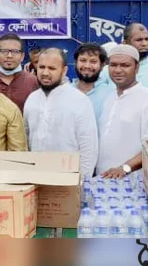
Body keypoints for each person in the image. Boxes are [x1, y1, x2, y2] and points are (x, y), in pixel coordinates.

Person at [24, 48, 99, 177]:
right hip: (35, 176)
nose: (45, 73)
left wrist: (81, 181)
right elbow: (26, 140)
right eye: (41, 67)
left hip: (69, 178)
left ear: (64, 71)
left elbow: (89, 148)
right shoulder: (32, 99)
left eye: (52, 68)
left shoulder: (79, 100)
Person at [97, 45, 148, 178]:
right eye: (113, 65)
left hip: (132, 180)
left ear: (136, 68)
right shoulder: (109, 97)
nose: (118, 70)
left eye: (125, 65)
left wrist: (125, 168)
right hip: (102, 178)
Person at [0, 32, 39, 113]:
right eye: (4, 51)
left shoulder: (34, 82)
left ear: (22, 56)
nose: (9, 56)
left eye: (15, 51)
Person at [70, 42, 112, 123]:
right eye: (83, 60)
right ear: (76, 63)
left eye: (93, 61)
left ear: (102, 65)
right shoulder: (66, 92)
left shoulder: (110, 94)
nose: (87, 66)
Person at [123, 22, 148, 88]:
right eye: (139, 40)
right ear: (125, 43)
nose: (144, 44)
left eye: (146, 39)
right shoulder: (114, 68)